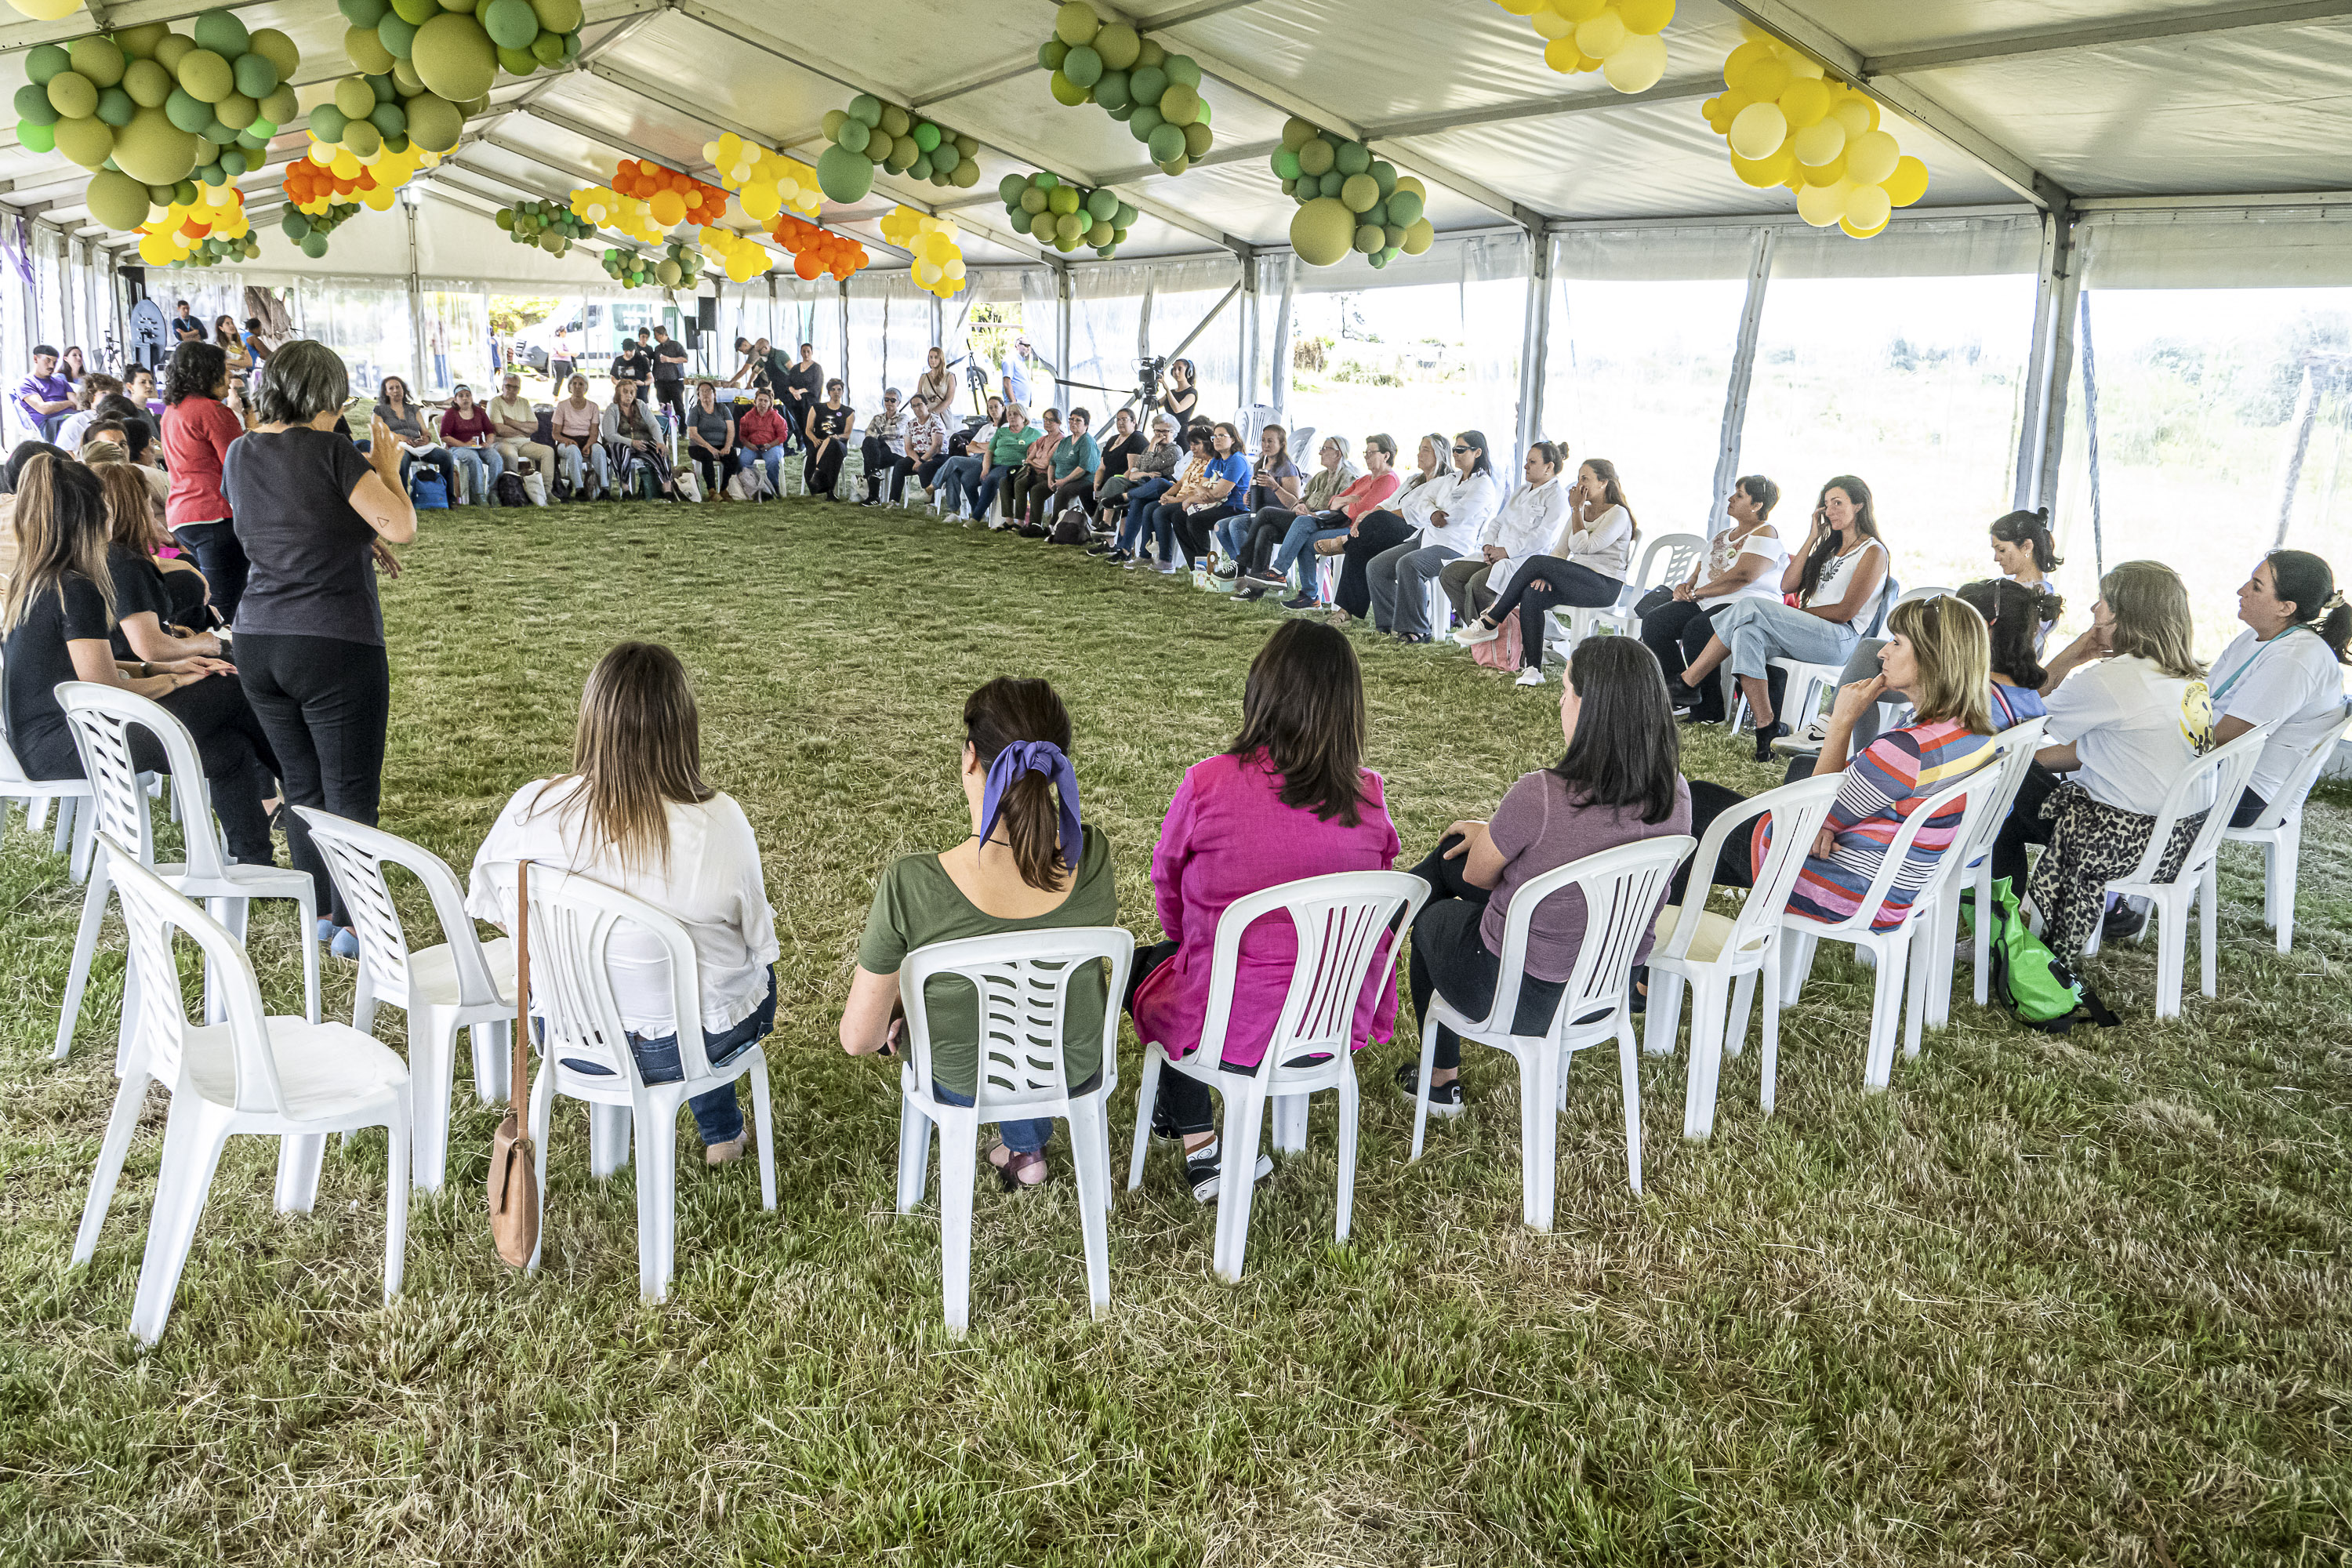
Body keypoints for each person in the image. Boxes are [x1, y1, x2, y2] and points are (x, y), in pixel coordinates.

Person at [468, 642, 778, 1167]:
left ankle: (711, 1129)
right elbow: (758, 942)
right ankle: (722, 1133)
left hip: (569, 1034)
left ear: (592, 720)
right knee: (722, 975)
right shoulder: (720, 821)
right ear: (684, 727)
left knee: (688, 977)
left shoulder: (532, 807)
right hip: (680, 1050)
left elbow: (497, 907)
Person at [1127, 620, 1404, 1200]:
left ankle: (1202, 1148)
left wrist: (1191, 941)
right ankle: (1182, 1114)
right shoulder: (1370, 796)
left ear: (1260, 691)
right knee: (1179, 968)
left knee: (1151, 969)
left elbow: (1167, 882)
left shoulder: (1207, 783)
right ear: (1348, 709)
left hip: (1228, 1019)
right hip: (1326, 1016)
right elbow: (1377, 904)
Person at [840, 677, 1117, 1187]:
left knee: (968, 1025)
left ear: (971, 757)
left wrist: (905, 1009)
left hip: (962, 1080)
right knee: (1026, 1014)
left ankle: (1022, 1145)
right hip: (1072, 1068)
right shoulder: (1094, 855)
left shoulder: (913, 883)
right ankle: (1025, 1146)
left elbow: (859, 1039)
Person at [1399, 636, 1692, 1116]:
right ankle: (1391, 913)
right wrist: (1494, 832)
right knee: (1448, 860)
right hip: (1605, 985)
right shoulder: (1676, 793)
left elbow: (1478, 876)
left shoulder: (1540, 795)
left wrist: (1496, 837)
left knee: (1436, 914)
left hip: (1521, 992)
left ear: (1591, 708)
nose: (1559, 701)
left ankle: (1438, 1077)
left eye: (1565, 690)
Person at [223, 339, 419, 956]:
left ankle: (322, 916)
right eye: (340, 401)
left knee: (303, 787)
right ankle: (359, 925)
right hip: (334, 640)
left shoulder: (239, 450)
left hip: (256, 639)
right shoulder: (333, 449)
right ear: (323, 397)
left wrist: (354, 539)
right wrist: (387, 470)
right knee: (351, 791)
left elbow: (289, 521)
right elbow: (404, 526)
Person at [1, 452, 278, 866]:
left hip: (45, 739)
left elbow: (88, 668)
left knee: (227, 746)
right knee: (233, 689)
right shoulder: (75, 588)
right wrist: (175, 681)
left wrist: (163, 668)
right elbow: (103, 688)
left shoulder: (41, 577)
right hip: (67, 743)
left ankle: (256, 864)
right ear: (92, 517)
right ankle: (313, 795)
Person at [1685, 593, 1997, 936]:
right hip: (1897, 887)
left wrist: (1841, 722)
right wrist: (1823, 823)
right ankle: (1660, 958)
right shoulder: (1970, 732)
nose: (1882, 653)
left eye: (1896, 643)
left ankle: (1655, 957)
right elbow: (1845, 803)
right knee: (1708, 832)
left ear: (1933, 658)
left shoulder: (1907, 750)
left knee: (1694, 805)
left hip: (1847, 891)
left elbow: (1810, 816)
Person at [1982, 562, 2211, 955]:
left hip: (2122, 841)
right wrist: (2020, 762)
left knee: (1996, 800)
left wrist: (2072, 656)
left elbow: (2015, 713)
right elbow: (2090, 753)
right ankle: (2093, 910)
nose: (2092, 610)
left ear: (2123, 613)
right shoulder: (2184, 676)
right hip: (2181, 837)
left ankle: (1999, 933)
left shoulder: (2116, 678)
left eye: (2101, 603)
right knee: (2012, 773)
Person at [1676, 474, 1891, 760]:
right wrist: (1813, 537)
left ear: (1860, 506)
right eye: (1827, 505)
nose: (1830, 511)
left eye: (1838, 503)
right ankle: (1767, 728)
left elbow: (1845, 612)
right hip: (1809, 633)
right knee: (1745, 634)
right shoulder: (1829, 549)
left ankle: (1689, 681)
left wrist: (1792, 615)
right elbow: (1787, 586)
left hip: (1841, 639)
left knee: (1752, 606)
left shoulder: (1873, 551)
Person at [2206, 550, 2350, 827]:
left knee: (2121, 771)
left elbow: (2226, 738)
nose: (2241, 591)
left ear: (2286, 608)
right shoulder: (2254, 637)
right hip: (2226, 771)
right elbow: (2202, 701)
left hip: (2249, 793)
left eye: (2256, 586)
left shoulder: (2294, 658)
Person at [1456, 453, 1627, 685]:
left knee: (1537, 563)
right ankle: (1533, 669)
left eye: (1585, 479)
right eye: (1578, 478)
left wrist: (1576, 511)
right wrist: (1548, 576)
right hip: (1574, 579)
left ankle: (1492, 620)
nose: (1579, 485)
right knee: (1532, 593)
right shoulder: (1579, 511)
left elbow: (1584, 546)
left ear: (1603, 483)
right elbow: (1560, 552)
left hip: (1603, 585)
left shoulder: (1618, 513)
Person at [1641, 476, 1784, 724]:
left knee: (1698, 630)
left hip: (1743, 605)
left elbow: (1743, 576)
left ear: (1757, 505)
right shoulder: (1722, 535)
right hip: (1706, 600)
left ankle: (1710, 710)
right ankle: (1684, 695)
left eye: (1739, 495)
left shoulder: (1766, 533)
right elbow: (1699, 573)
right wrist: (1685, 587)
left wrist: (1698, 593)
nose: (1730, 498)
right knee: (1656, 623)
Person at [1362, 431, 1498, 637]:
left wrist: (1438, 512)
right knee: (1376, 566)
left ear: (1477, 452)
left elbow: (1458, 515)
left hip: (1454, 546)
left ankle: (1415, 630)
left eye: (1461, 450)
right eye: (1454, 450)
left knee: (1409, 564)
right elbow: (1422, 501)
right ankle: (1389, 624)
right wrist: (1433, 512)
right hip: (1426, 537)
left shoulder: (1484, 485)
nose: (1456, 454)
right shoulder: (1450, 479)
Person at [162, 339, 252, 625]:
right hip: (216, 516)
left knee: (208, 602)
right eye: (224, 370)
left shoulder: (172, 411)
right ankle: (228, 665)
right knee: (226, 607)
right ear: (206, 372)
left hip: (183, 518)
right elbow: (239, 467)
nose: (229, 378)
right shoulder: (213, 411)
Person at [1256, 435, 1401, 609]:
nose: (1367, 456)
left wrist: (1347, 504)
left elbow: (1363, 511)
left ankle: (1305, 592)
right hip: (1342, 524)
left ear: (1386, 456)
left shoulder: (1388, 480)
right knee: (1303, 524)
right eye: (1366, 452)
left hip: (1359, 531)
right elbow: (1333, 502)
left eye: (1371, 453)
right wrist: (1349, 501)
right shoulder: (1364, 479)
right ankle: (1282, 574)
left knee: (1306, 539)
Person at [99, 461, 220, 653]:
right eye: (149, 506)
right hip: (138, 663)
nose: (152, 513)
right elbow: (149, 649)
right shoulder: (127, 565)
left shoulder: (103, 554)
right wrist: (203, 643)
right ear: (137, 510)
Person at [1229, 430, 1358, 592]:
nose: (1320, 452)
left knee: (1266, 513)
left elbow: (1342, 508)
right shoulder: (1320, 476)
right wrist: (1299, 506)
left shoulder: (1348, 478)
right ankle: (1255, 587)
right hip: (1304, 517)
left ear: (1338, 453)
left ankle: (1243, 562)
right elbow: (1303, 498)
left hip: (1320, 522)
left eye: (1325, 449)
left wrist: (1311, 511)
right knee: (1265, 530)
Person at [1156, 420, 1250, 568]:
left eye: (1221, 436)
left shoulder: (1237, 460)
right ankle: (1196, 567)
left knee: (1195, 520)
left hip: (1233, 507)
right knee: (1178, 517)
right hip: (1214, 504)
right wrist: (1203, 493)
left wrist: (1192, 499)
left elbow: (1219, 493)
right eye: (1214, 437)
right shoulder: (1216, 461)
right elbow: (1201, 487)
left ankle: (1207, 566)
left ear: (1233, 439)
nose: (1216, 440)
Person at [1212, 423, 1299, 572]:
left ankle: (1249, 568)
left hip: (1279, 516)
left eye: (1270, 441)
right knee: (1220, 526)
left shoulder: (1287, 468)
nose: (1265, 445)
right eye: (1263, 440)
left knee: (1236, 525)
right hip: (1258, 513)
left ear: (1281, 443)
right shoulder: (1261, 463)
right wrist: (1248, 497)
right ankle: (1240, 566)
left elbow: (1294, 503)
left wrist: (1275, 487)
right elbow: (1251, 488)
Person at [1099, 413, 1181, 561]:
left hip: (1166, 489)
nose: (1160, 435)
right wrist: (1146, 470)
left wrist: (1143, 470)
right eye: (1157, 431)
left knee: (1157, 483)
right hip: (1146, 490)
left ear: (1174, 432)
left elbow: (1147, 467)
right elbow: (1134, 472)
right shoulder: (1152, 448)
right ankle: (1125, 550)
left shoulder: (1174, 450)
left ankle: (1124, 497)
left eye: (1165, 431)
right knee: (1138, 501)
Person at [1989, 506, 2064, 650]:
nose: (1996, 558)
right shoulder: (2043, 589)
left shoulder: (2033, 593)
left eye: (2002, 549)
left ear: (2026, 547)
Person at [375, 376, 460, 501]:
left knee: (446, 456)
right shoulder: (380, 411)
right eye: (391, 388)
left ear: (403, 389)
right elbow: (379, 433)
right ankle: (402, 499)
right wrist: (400, 437)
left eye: (398, 387)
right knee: (402, 459)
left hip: (418, 445)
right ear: (386, 392)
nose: (395, 390)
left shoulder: (414, 409)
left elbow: (425, 431)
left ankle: (448, 497)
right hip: (397, 446)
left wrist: (426, 438)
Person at [601, 373, 675, 499]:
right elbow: (610, 435)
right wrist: (631, 442)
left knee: (660, 450)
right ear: (618, 393)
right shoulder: (612, 409)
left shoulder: (641, 405)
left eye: (631, 392)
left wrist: (660, 442)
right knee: (621, 450)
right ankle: (626, 490)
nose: (629, 395)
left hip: (643, 442)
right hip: (621, 443)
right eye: (625, 392)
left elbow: (654, 425)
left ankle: (667, 489)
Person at [1032, 405, 1102, 535]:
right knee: (1037, 490)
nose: (1073, 423)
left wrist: (1063, 481)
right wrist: (1050, 480)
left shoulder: (1087, 441)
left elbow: (1083, 468)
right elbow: (1052, 462)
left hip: (1083, 480)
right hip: (1059, 479)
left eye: (1078, 420)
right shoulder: (1065, 441)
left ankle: (1054, 526)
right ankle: (1035, 525)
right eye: (1071, 419)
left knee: (1063, 492)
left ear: (1086, 424)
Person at [488, 372, 555, 506]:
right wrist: (523, 430)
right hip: (502, 442)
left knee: (548, 451)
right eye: (508, 386)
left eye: (515, 387)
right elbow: (500, 430)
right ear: (502, 386)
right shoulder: (494, 403)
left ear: (519, 388)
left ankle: (547, 491)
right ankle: (514, 491)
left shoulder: (524, 402)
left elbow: (534, 427)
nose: (511, 390)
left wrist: (511, 423)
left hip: (524, 442)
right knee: (510, 455)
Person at [932, 396, 1005, 515]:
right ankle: (954, 512)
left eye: (996, 407)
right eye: (990, 407)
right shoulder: (986, 428)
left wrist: (983, 447)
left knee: (954, 461)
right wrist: (986, 448)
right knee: (953, 472)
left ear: (1003, 407)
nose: (993, 410)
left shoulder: (1006, 428)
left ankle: (934, 485)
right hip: (976, 458)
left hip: (991, 461)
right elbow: (969, 447)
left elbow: (998, 447)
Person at [435, 383, 503, 506]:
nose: (465, 398)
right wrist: (463, 444)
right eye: (461, 396)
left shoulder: (479, 412)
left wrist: (488, 443)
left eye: (468, 395)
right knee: (474, 459)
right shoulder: (451, 413)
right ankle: (478, 495)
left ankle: (493, 493)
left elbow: (490, 431)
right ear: (455, 400)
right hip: (457, 447)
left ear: (472, 398)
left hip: (479, 446)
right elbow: (445, 436)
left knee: (496, 458)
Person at [1003, 407, 1066, 534]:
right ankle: (1017, 521)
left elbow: (1046, 464)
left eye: (1051, 420)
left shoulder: (1061, 440)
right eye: (1045, 419)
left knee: (1031, 487)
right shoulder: (1042, 439)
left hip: (1049, 476)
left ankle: (1033, 523)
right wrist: (1033, 462)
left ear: (1059, 422)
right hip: (1034, 473)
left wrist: (1033, 462)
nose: (1047, 422)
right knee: (1007, 481)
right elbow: (1028, 459)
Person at [972, 403, 1039, 523]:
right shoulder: (1001, 432)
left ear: (1023, 417)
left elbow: (1043, 449)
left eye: (1015, 414)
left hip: (1018, 466)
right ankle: (980, 515)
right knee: (983, 476)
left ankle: (977, 517)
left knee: (991, 478)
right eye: (1009, 414)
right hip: (997, 464)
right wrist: (985, 469)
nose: (1012, 417)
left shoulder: (1034, 434)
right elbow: (989, 452)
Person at [1084, 407, 1147, 523]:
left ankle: (1102, 524)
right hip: (1108, 480)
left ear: (1134, 422)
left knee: (1111, 485)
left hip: (1124, 482)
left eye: (1124, 419)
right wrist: (1097, 484)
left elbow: (1131, 469)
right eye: (1118, 420)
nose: (1120, 422)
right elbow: (1102, 467)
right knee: (1085, 491)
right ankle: (1097, 521)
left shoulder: (1137, 438)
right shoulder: (1112, 440)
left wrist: (1106, 486)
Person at [550, 374, 608, 500]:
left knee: (600, 451)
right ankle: (579, 489)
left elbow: (594, 433)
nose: (577, 387)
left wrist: (588, 445)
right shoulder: (562, 406)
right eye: (574, 384)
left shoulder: (593, 407)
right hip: (566, 441)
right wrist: (567, 440)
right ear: (570, 387)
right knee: (573, 451)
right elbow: (555, 434)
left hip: (587, 440)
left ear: (586, 388)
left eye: (581, 384)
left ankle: (604, 489)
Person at [894, 393, 953, 506]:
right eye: (914, 406)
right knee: (900, 465)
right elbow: (908, 448)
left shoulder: (935, 421)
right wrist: (918, 460)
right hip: (918, 455)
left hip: (938, 455)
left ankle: (930, 504)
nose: (917, 408)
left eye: (919, 405)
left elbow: (937, 446)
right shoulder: (911, 424)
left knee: (925, 467)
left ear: (926, 405)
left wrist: (922, 461)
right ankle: (894, 500)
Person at [733, 387, 792, 498]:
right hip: (752, 446)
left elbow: (783, 435)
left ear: (770, 403)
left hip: (772, 446)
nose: (763, 403)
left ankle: (774, 489)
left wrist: (770, 445)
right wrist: (749, 445)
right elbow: (742, 436)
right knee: (742, 462)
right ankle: (752, 490)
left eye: (766, 401)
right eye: (760, 400)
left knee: (772, 461)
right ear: (755, 401)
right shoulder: (747, 417)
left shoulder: (777, 417)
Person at [856, 387, 909, 506]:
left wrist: (879, 433)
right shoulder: (877, 417)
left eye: (893, 400)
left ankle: (874, 496)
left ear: (899, 403)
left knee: (870, 457)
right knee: (869, 442)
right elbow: (868, 433)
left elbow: (898, 430)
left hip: (896, 452)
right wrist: (884, 434)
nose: (889, 403)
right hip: (878, 450)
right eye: (886, 400)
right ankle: (875, 477)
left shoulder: (903, 418)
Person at [684, 379, 737, 499]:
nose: (706, 394)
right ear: (698, 396)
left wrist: (727, 446)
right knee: (707, 456)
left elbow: (731, 429)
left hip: (721, 445)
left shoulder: (722, 408)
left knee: (732, 456)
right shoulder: (695, 411)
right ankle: (712, 491)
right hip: (699, 446)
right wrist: (710, 447)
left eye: (709, 391)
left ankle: (724, 489)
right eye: (702, 391)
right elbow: (693, 434)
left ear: (714, 394)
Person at [802, 378, 853, 499]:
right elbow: (808, 429)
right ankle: (829, 491)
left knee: (832, 442)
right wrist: (814, 439)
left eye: (839, 389)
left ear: (842, 392)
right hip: (818, 443)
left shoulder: (848, 412)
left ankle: (818, 471)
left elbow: (847, 434)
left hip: (839, 445)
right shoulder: (817, 408)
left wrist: (837, 437)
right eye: (833, 389)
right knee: (829, 446)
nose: (836, 392)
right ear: (829, 392)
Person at [15, 344, 74, 442]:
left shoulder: (61, 382)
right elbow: (43, 408)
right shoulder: (26, 383)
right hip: (48, 424)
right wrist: (68, 403)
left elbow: (77, 403)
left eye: (55, 362)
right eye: (47, 361)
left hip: (70, 418)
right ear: (35, 359)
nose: (51, 366)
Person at [55, 372, 123, 453]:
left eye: (113, 394)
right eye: (103, 393)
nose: (109, 397)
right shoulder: (77, 421)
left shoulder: (120, 419)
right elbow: (64, 451)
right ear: (90, 395)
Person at [781, 343, 824, 453]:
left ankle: (811, 448)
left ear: (812, 352)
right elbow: (788, 382)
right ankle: (802, 445)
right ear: (800, 352)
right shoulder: (795, 368)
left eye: (808, 351)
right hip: (795, 402)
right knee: (797, 425)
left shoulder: (817, 368)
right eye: (804, 351)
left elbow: (816, 387)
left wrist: (800, 391)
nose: (806, 354)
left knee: (808, 426)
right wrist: (793, 391)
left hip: (809, 403)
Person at [651, 324, 690, 435]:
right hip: (661, 382)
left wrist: (670, 359)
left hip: (675, 382)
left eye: (656, 335)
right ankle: (666, 431)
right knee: (663, 407)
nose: (655, 338)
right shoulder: (657, 348)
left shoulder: (676, 345)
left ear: (663, 334)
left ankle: (682, 431)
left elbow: (685, 359)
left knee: (679, 407)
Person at [1153, 357, 1199, 429]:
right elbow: (1154, 406)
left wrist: (1166, 388)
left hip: (1181, 433)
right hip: (1168, 431)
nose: (1176, 372)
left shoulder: (1192, 393)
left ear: (1188, 372)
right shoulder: (1172, 392)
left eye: (1180, 369)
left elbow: (1177, 409)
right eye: (1174, 369)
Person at [915, 345, 956, 409]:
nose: (933, 360)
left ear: (941, 359)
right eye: (931, 357)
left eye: (936, 357)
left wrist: (934, 413)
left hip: (943, 413)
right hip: (926, 412)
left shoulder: (949, 376)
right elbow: (919, 397)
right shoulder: (923, 377)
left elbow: (949, 400)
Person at [215, 315, 253, 379]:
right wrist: (242, 365)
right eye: (227, 323)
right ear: (221, 328)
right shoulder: (217, 345)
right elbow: (223, 366)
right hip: (228, 377)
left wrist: (230, 361)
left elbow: (249, 363)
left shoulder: (240, 344)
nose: (231, 325)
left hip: (243, 376)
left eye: (232, 323)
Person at [548, 323, 575, 390]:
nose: (566, 334)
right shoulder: (557, 340)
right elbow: (560, 353)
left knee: (573, 378)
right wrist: (571, 353)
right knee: (559, 379)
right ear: (560, 332)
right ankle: (555, 396)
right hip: (559, 361)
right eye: (565, 332)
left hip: (567, 361)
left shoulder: (562, 340)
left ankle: (573, 392)